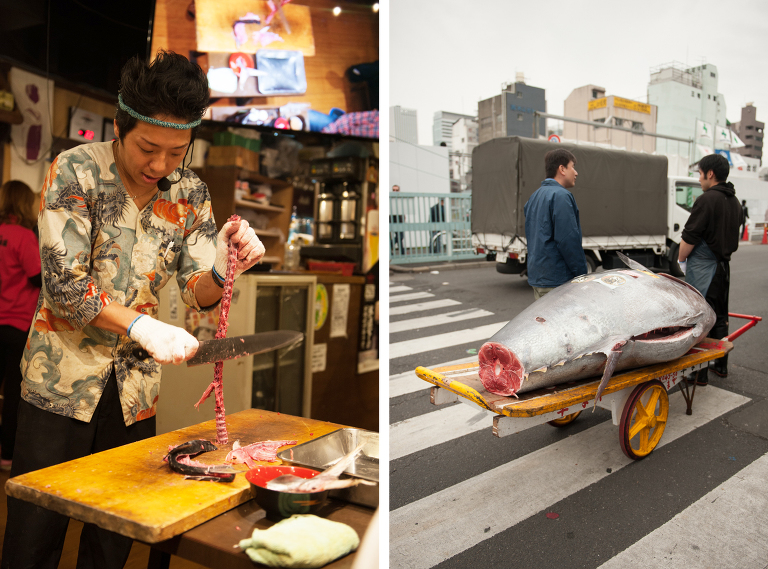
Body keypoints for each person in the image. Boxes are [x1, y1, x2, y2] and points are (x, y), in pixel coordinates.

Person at [2, 50, 266, 569]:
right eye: (148, 148)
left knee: (114, 537)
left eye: (176, 152)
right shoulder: (76, 170)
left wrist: (225, 265)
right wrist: (141, 323)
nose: (160, 166)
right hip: (58, 385)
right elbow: (63, 285)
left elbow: (197, 290)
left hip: (133, 395)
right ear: (120, 127)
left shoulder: (189, 192)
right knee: (34, 538)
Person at [677, 154, 741, 385]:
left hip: (704, 269)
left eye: (700, 173)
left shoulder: (706, 200)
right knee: (720, 318)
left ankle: (698, 374)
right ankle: (720, 365)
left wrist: (681, 259)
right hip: (724, 268)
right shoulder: (734, 202)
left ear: (710, 174)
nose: (700, 178)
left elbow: (689, 237)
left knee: (701, 319)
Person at [0, 180, 41, 473]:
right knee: (14, 393)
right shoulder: (24, 236)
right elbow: (38, 277)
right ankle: (6, 455)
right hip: (16, 325)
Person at [523, 148, 588, 299]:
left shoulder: (534, 197)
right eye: (573, 167)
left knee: (543, 321)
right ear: (562, 169)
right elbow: (568, 240)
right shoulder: (561, 196)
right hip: (558, 280)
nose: (576, 172)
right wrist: (582, 276)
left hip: (538, 278)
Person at [390, 184, 405, 256]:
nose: (395, 191)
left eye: (396, 190)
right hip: (392, 221)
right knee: (399, 236)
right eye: (393, 190)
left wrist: (404, 217)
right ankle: (391, 248)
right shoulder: (390, 199)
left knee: (400, 236)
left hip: (400, 221)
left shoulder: (401, 199)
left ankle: (401, 252)